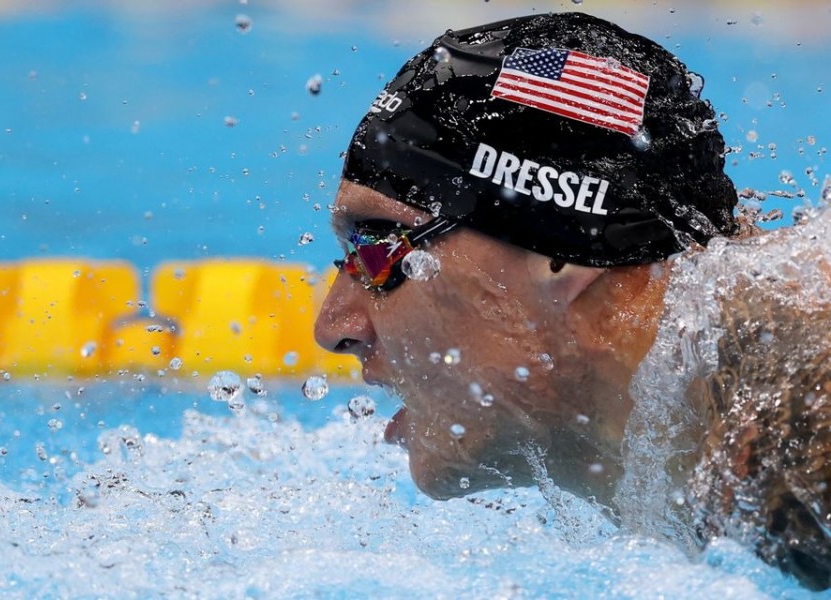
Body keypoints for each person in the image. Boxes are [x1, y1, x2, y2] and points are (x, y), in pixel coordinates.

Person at [313, 12, 830, 589]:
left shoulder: (803, 408)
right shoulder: (705, 433)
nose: (332, 326)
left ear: (563, 254)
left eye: (376, 247)